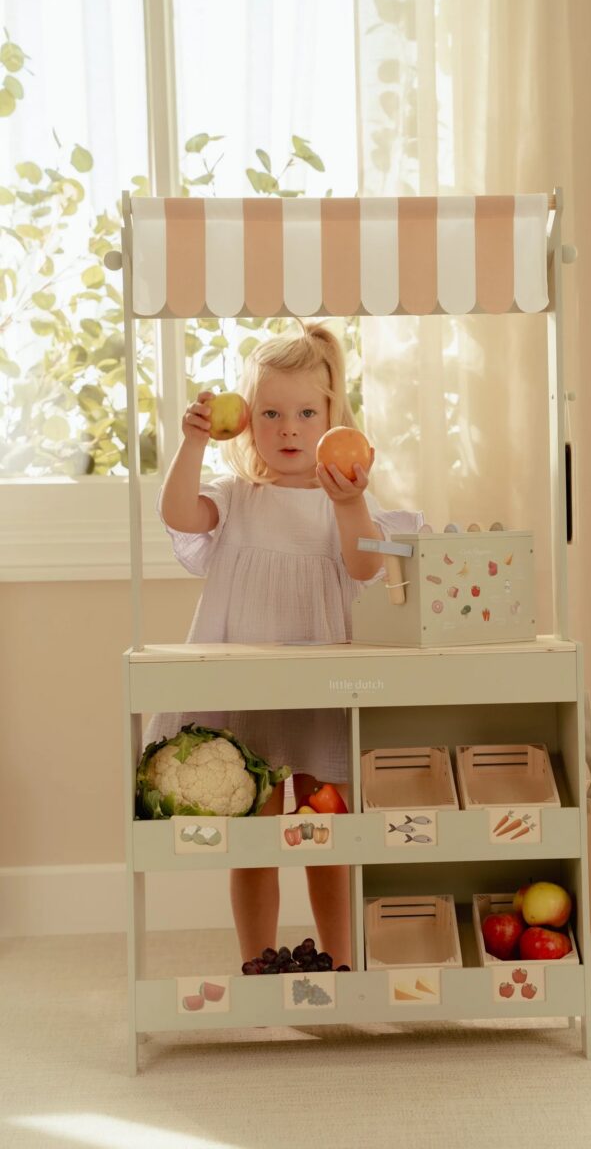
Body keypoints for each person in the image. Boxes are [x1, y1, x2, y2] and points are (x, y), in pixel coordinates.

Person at [144, 320, 424, 970]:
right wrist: (191, 443)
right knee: (255, 844)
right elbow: (179, 514)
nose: (289, 429)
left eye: (305, 414)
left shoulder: (345, 501)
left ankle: (340, 962)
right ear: (245, 422)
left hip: (325, 692)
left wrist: (350, 504)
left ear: (332, 418)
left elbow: (364, 566)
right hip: (250, 699)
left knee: (332, 840)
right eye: (270, 413)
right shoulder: (237, 498)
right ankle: (259, 963)